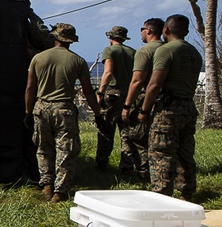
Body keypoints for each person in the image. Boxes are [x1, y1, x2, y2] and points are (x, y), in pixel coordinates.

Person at [25, 23, 102, 202]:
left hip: (41, 108)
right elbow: (88, 91)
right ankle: (61, 191)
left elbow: (30, 87)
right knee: (66, 150)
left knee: (44, 148)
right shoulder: (78, 61)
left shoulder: (38, 58)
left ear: (55, 37)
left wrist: (28, 112)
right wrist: (97, 113)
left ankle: (46, 184)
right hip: (65, 109)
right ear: (71, 40)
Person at [140, 14, 203, 201]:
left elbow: (154, 84)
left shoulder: (166, 50)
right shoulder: (194, 53)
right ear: (186, 32)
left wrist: (144, 109)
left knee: (161, 153)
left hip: (168, 109)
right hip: (188, 106)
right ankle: (187, 194)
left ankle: (162, 197)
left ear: (166, 30)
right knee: (185, 153)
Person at [121, 18, 164, 182]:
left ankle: (144, 174)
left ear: (149, 31)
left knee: (138, 138)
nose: (140, 32)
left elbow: (137, 81)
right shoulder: (168, 49)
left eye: (142, 29)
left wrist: (127, 105)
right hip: (165, 101)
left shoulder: (145, 51)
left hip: (144, 99)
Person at [95, 26, 136, 174]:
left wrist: (100, 92)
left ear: (111, 38)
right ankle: (127, 165)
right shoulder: (133, 52)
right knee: (126, 132)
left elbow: (108, 72)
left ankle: (102, 164)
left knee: (106, 130)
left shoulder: (110, 51)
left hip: (113, 93)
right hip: (129, 94)